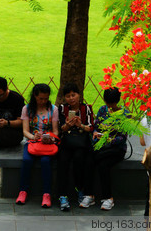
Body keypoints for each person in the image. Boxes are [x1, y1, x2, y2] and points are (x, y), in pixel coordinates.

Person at [83, 86, 130, 211]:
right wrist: (96, 133)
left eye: (112, 104)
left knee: (102, 163)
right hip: (101, 146)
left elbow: (122, 138)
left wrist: (109, 139)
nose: (109, 106)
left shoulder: (124, 113)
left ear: (117, 101)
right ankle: (89, 195)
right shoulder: (103, 110)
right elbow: (96, 126)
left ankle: (108, 198)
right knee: (89, 160)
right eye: (107, 103)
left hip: (116, 149)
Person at [15, 83, 59, 209]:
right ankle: (23, 191)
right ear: (35, 96)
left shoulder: (53, 109)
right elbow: (25, 131)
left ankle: (46, 193)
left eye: (46, 98)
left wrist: (50, 137)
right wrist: (33, 137)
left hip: (48, 144)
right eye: (40, 98)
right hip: (32, 142)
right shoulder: (27, 109)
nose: (43, 101)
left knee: (46, 162)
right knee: (27, 161)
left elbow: (56, 131)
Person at [56, 82, 95, 211]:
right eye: (68, 96)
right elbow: (61, 128)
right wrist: (67, 125)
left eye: (73, 95)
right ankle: (63, 196)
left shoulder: (86, 108)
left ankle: (80, 190)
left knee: (79, 160)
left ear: (79, 95)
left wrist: (80, 125)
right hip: (66, 141)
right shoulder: (62, 108)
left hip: (81, 142)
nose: (71, 98)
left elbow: (90, 128)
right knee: (63, 161)